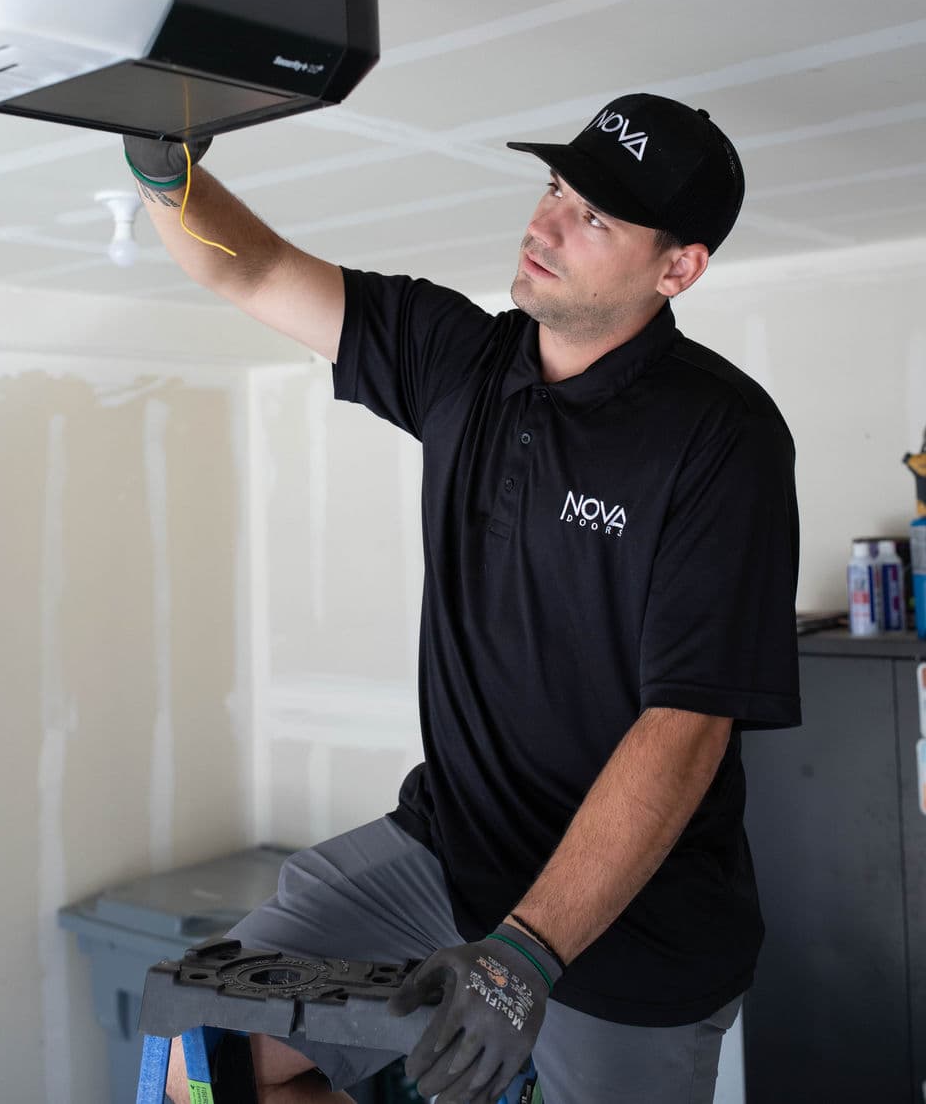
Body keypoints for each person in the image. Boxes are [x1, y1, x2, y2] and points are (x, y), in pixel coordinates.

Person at [125, 92, 800, 1104]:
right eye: (554, 189)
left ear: (677, 268)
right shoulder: (460, 360)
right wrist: (161, 169)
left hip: (633, 923)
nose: (545, 223)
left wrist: (525, 953)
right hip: (448, 850)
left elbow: (686, 724)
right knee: (198, 1065)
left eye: (595, 217)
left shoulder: (720, 436)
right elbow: (251, 267)